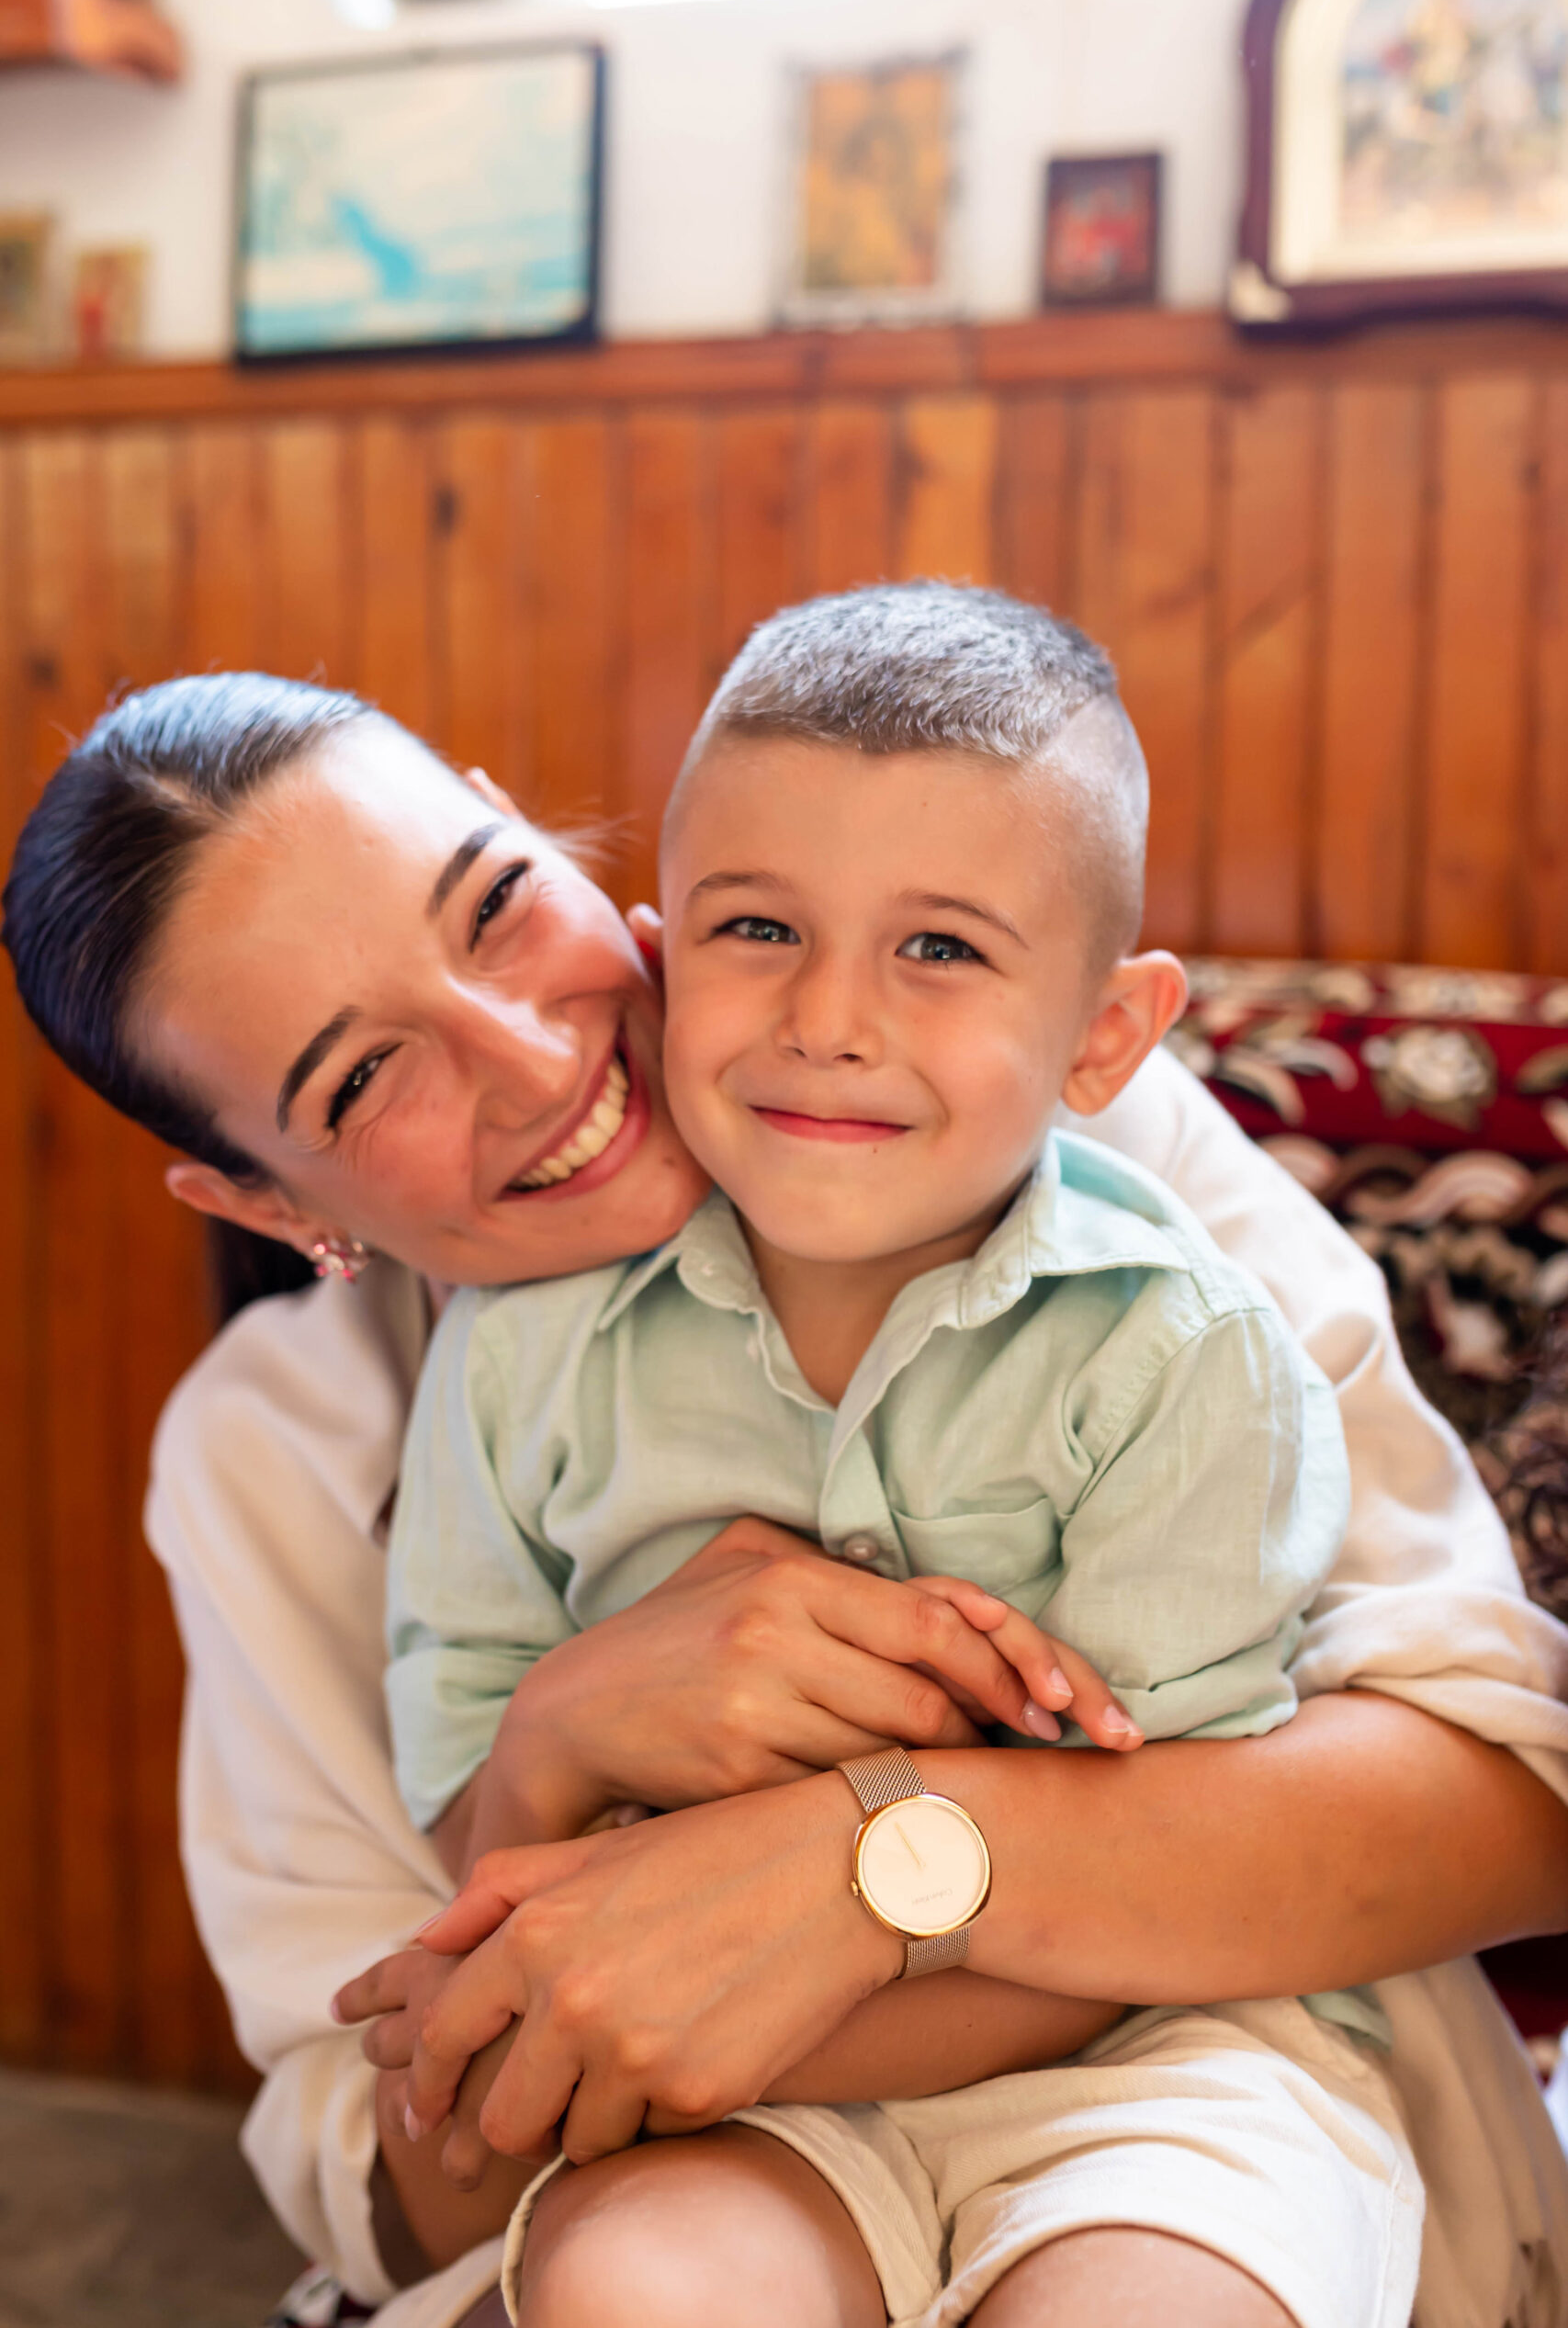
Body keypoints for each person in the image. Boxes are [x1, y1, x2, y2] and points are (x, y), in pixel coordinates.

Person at [3, 667, 1567, 2328]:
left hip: (1203, 2112)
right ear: (261, 1200)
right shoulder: (283, 1446)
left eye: (496, 906)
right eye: (359, 1079)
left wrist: (859, 1871)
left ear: (526, 825)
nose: (535, 1061)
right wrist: (550, 1742)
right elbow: (396, 2187)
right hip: (683, 2182)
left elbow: (1513, 1809)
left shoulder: (1015, 1115)